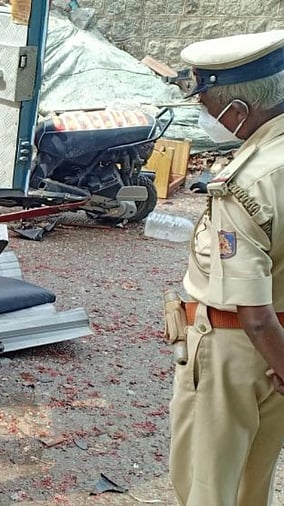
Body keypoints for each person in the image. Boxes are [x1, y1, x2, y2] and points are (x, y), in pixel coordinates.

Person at [169, 29, 284, 505]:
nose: (207, 116)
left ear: (237, 111)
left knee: (207, 485)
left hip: (235, 347)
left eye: (208, 105)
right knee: (251, 485)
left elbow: (253, 312)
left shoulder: (247, 182)